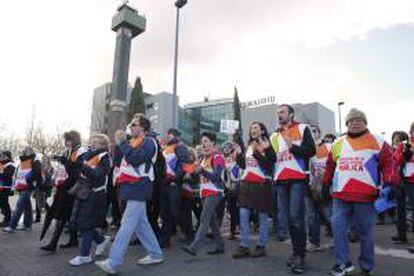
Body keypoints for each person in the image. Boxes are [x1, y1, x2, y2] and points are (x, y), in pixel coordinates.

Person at [322, 108, 395, 276]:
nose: (354, 123)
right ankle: (342, 263)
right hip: (340, 195)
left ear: (365, 122)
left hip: (366, 196)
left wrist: (390, 182)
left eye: (358, 120)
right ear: (346, 124)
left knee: (365, 234)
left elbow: (389, 163)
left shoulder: (378, 141)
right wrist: (326, 184)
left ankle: (367, 266)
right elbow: (330, 166)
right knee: (338, 230)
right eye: (351, 120)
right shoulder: (338, 143)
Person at [95, 114, 163, 274]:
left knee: (126, 225)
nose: (130, 127)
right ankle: (155, 253)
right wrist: (122, 144)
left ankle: (113, 262)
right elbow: (121, 162)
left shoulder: (149, 142)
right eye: (131, 124)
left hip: (139, 187)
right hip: (131, 187)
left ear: (143, 128)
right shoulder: (132, 142)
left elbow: (135, 159)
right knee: (141, 224)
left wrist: (122, 142)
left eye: (134, 124)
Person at [270, 104, 316, 274]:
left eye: (282, 112)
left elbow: (311, 151)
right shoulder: (274, 135)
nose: (279, 115)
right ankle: (297, 251)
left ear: (291, 114)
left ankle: (300, 256)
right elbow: (271, 159)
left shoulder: (303, 128)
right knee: (288, 219)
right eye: (278, 113)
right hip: (281, 180)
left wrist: (292, 147)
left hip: (298, 179)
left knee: (296, 218)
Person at [232, 122, 276, 259]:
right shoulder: (249, 146)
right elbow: (244, 165)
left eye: (256, 128)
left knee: (262, 216)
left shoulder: (267, 144)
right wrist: (239, 154)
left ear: (263, 130)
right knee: (243, 214)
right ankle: (244, 245)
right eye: (251, 128)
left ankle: (261, 245)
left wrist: (258, 152)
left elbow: (270, 164)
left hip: (262, 183)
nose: (253, 130)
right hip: (246, 183)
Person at [69, 134, 111, 266]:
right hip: (84, 192)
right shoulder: (89, 156)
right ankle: (101, 240)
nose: (91, 144)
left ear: (103, 145)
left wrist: (82, 166)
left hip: (95, 194)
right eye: (91, 141)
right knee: (82, 223)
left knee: (86, 225)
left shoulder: (104, 157)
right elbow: (82, 174)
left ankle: (84, 255)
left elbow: (97, 175)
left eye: (95, 142)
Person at [40, 130, 85, 252]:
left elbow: (77, 172)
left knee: (63, 214)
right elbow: (63, 170)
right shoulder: (68, 152)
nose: (67, 143)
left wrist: (65, 162)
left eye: (69, 140)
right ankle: (73, 239)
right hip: (63, 187)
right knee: (68, 215)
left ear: (75, 140)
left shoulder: (81, 152)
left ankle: (53, 243)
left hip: (72, 188)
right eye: (66, 140)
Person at [182, 132, 225, 256]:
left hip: (215, 192)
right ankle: (220, 246)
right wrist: (190, 171)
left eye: (206, 141)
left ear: (213, 143)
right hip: (204, 193)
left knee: (204, 218)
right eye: (202, 142)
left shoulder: (218, 158)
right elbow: (199, 176)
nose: (203, 144)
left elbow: (216, 177)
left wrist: (202, 171)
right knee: (212, 221)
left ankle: (194, 247)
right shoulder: (202, 159)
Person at [160, 128, 190, 246]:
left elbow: (184, 163)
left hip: (173, 183)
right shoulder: (166, 148)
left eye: (169, 135)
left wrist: (175, 178)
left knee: (175, 211)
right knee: (165, 213)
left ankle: (189, 233)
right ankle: (165, 239)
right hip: (165, 183)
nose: (167, 136)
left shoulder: (180, 147)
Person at [306, 125, 332, 252]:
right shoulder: (305, 148)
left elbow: (334, 164)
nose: (312, 134)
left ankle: (337, 238)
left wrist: (325, 175)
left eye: (314, 131)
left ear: (319, 133)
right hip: (309, 186)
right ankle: (314, 242)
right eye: (309, 132)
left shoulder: (328, 146)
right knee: (311, 216)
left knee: (327, 214)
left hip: (323, 186)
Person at [3, 147, 42, 233]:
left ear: (31, 151)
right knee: (27, 205)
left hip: (28, 185)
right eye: (24, 150)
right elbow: (18, 173)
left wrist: (27, 179)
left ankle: (12, 226)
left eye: (27, 150)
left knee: (19, 205)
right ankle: (28, 225)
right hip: (21, 185)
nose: (25, 152)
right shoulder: (23, 160)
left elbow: (37, 171)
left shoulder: (35, 159)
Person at [392, 124, 414, 246]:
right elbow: (395, 161)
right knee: (400, 209)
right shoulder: (404, 144)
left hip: (412, 182)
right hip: (401, 180)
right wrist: (404, 155)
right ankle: (401, 236)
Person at [221, 141, 241, 240]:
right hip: (222, 186)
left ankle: (233, 231)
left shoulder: (236, 156)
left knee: (233, 209)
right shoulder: (220, 158)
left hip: (233, 186)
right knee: (220, 208)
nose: (227, 149)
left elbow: (239, 170)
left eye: (229, 148)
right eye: (225, 148)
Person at [33, 155, 53, 223]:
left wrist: (45, 172)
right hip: (38, 186)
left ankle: (50, 213)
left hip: (45, 187)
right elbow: (36, 174)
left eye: (46, 159)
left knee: (44, 202)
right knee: (37, 201)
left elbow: (50, 177)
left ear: (48, 160)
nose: (44, 160)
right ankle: (38, 217)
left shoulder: (51, 168)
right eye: (43, 159)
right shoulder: (39, 167)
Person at [0, 150, 16, 227]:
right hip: (2, 187)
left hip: (6, 187)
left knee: (4, 203)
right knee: (3, 203)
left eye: (3, 155)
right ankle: (6, 218)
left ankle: (8, 219)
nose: (1, 156)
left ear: (7, 156)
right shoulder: (3, 164)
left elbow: (5, 176)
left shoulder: (10, 165)